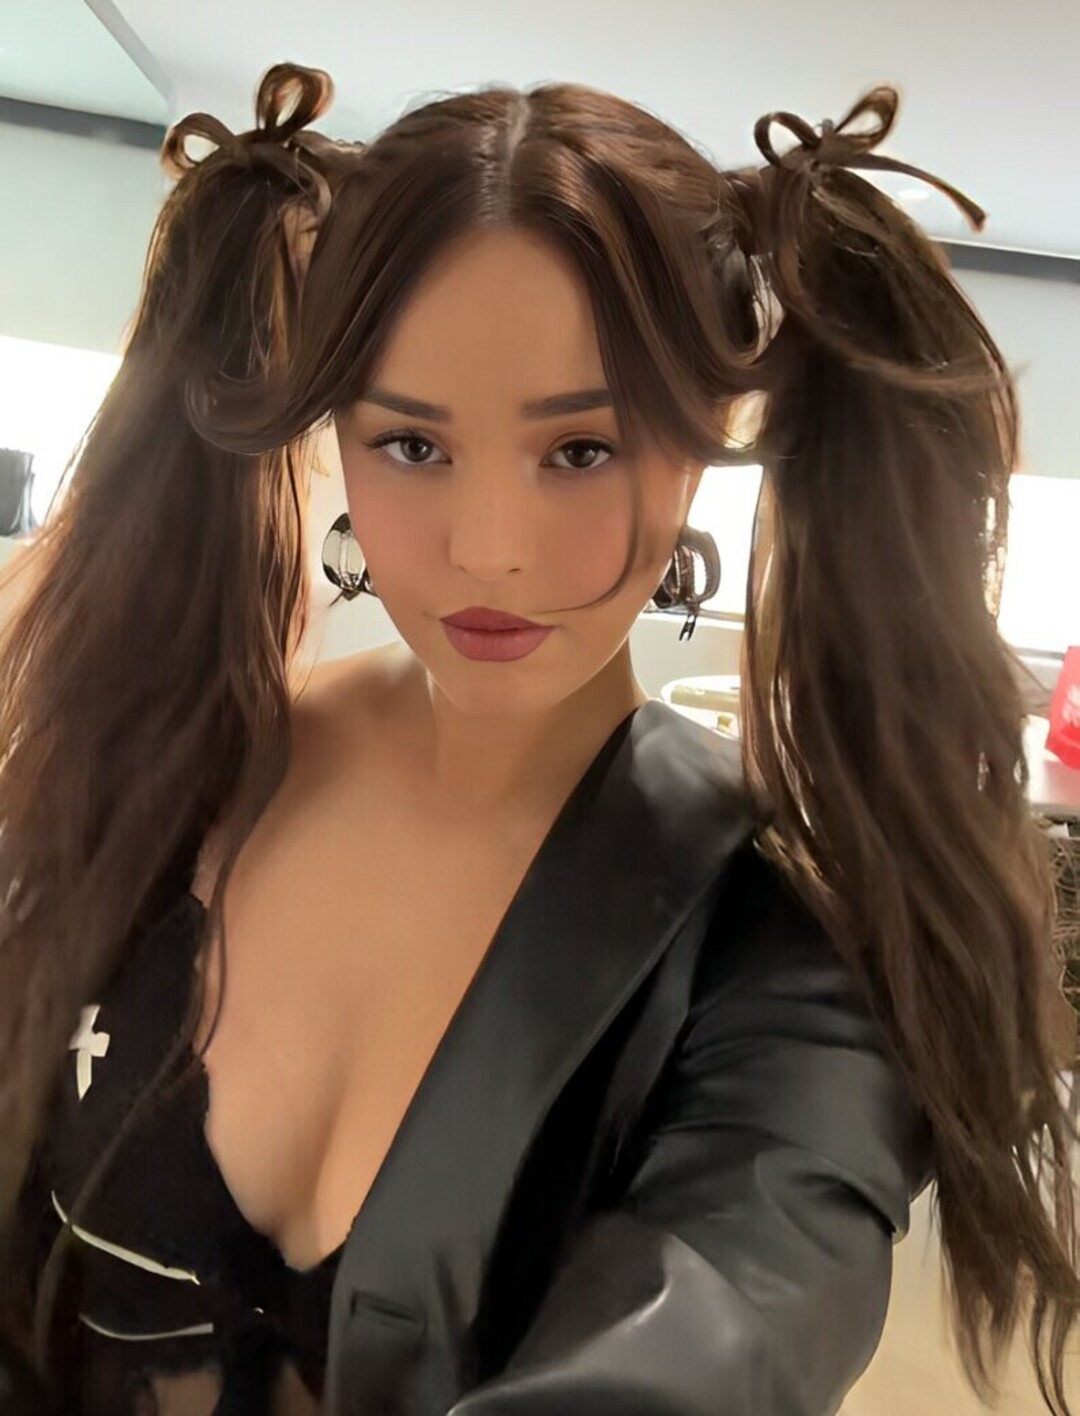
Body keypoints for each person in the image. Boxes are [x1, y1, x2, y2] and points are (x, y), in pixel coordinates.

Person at [0, 59, 1076, 1416]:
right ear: (335, 431)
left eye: (580, 451)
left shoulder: (787, 966)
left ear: (708, 437)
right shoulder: (183, 767)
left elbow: (719, 1339)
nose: (489, 552)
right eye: (412, 446)